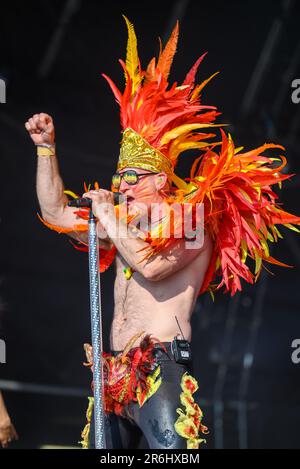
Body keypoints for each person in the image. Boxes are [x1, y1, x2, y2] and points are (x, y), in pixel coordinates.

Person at [25, 18, 300, 449]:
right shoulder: (122, 222)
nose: (123, 186)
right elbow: (55, 212)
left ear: (162, 181)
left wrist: (108, 217)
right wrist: (46, 149)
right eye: (120, 177)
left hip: (160, 365)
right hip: (112, 371)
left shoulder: (193, 221)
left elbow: (151, 267)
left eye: (135, 176)